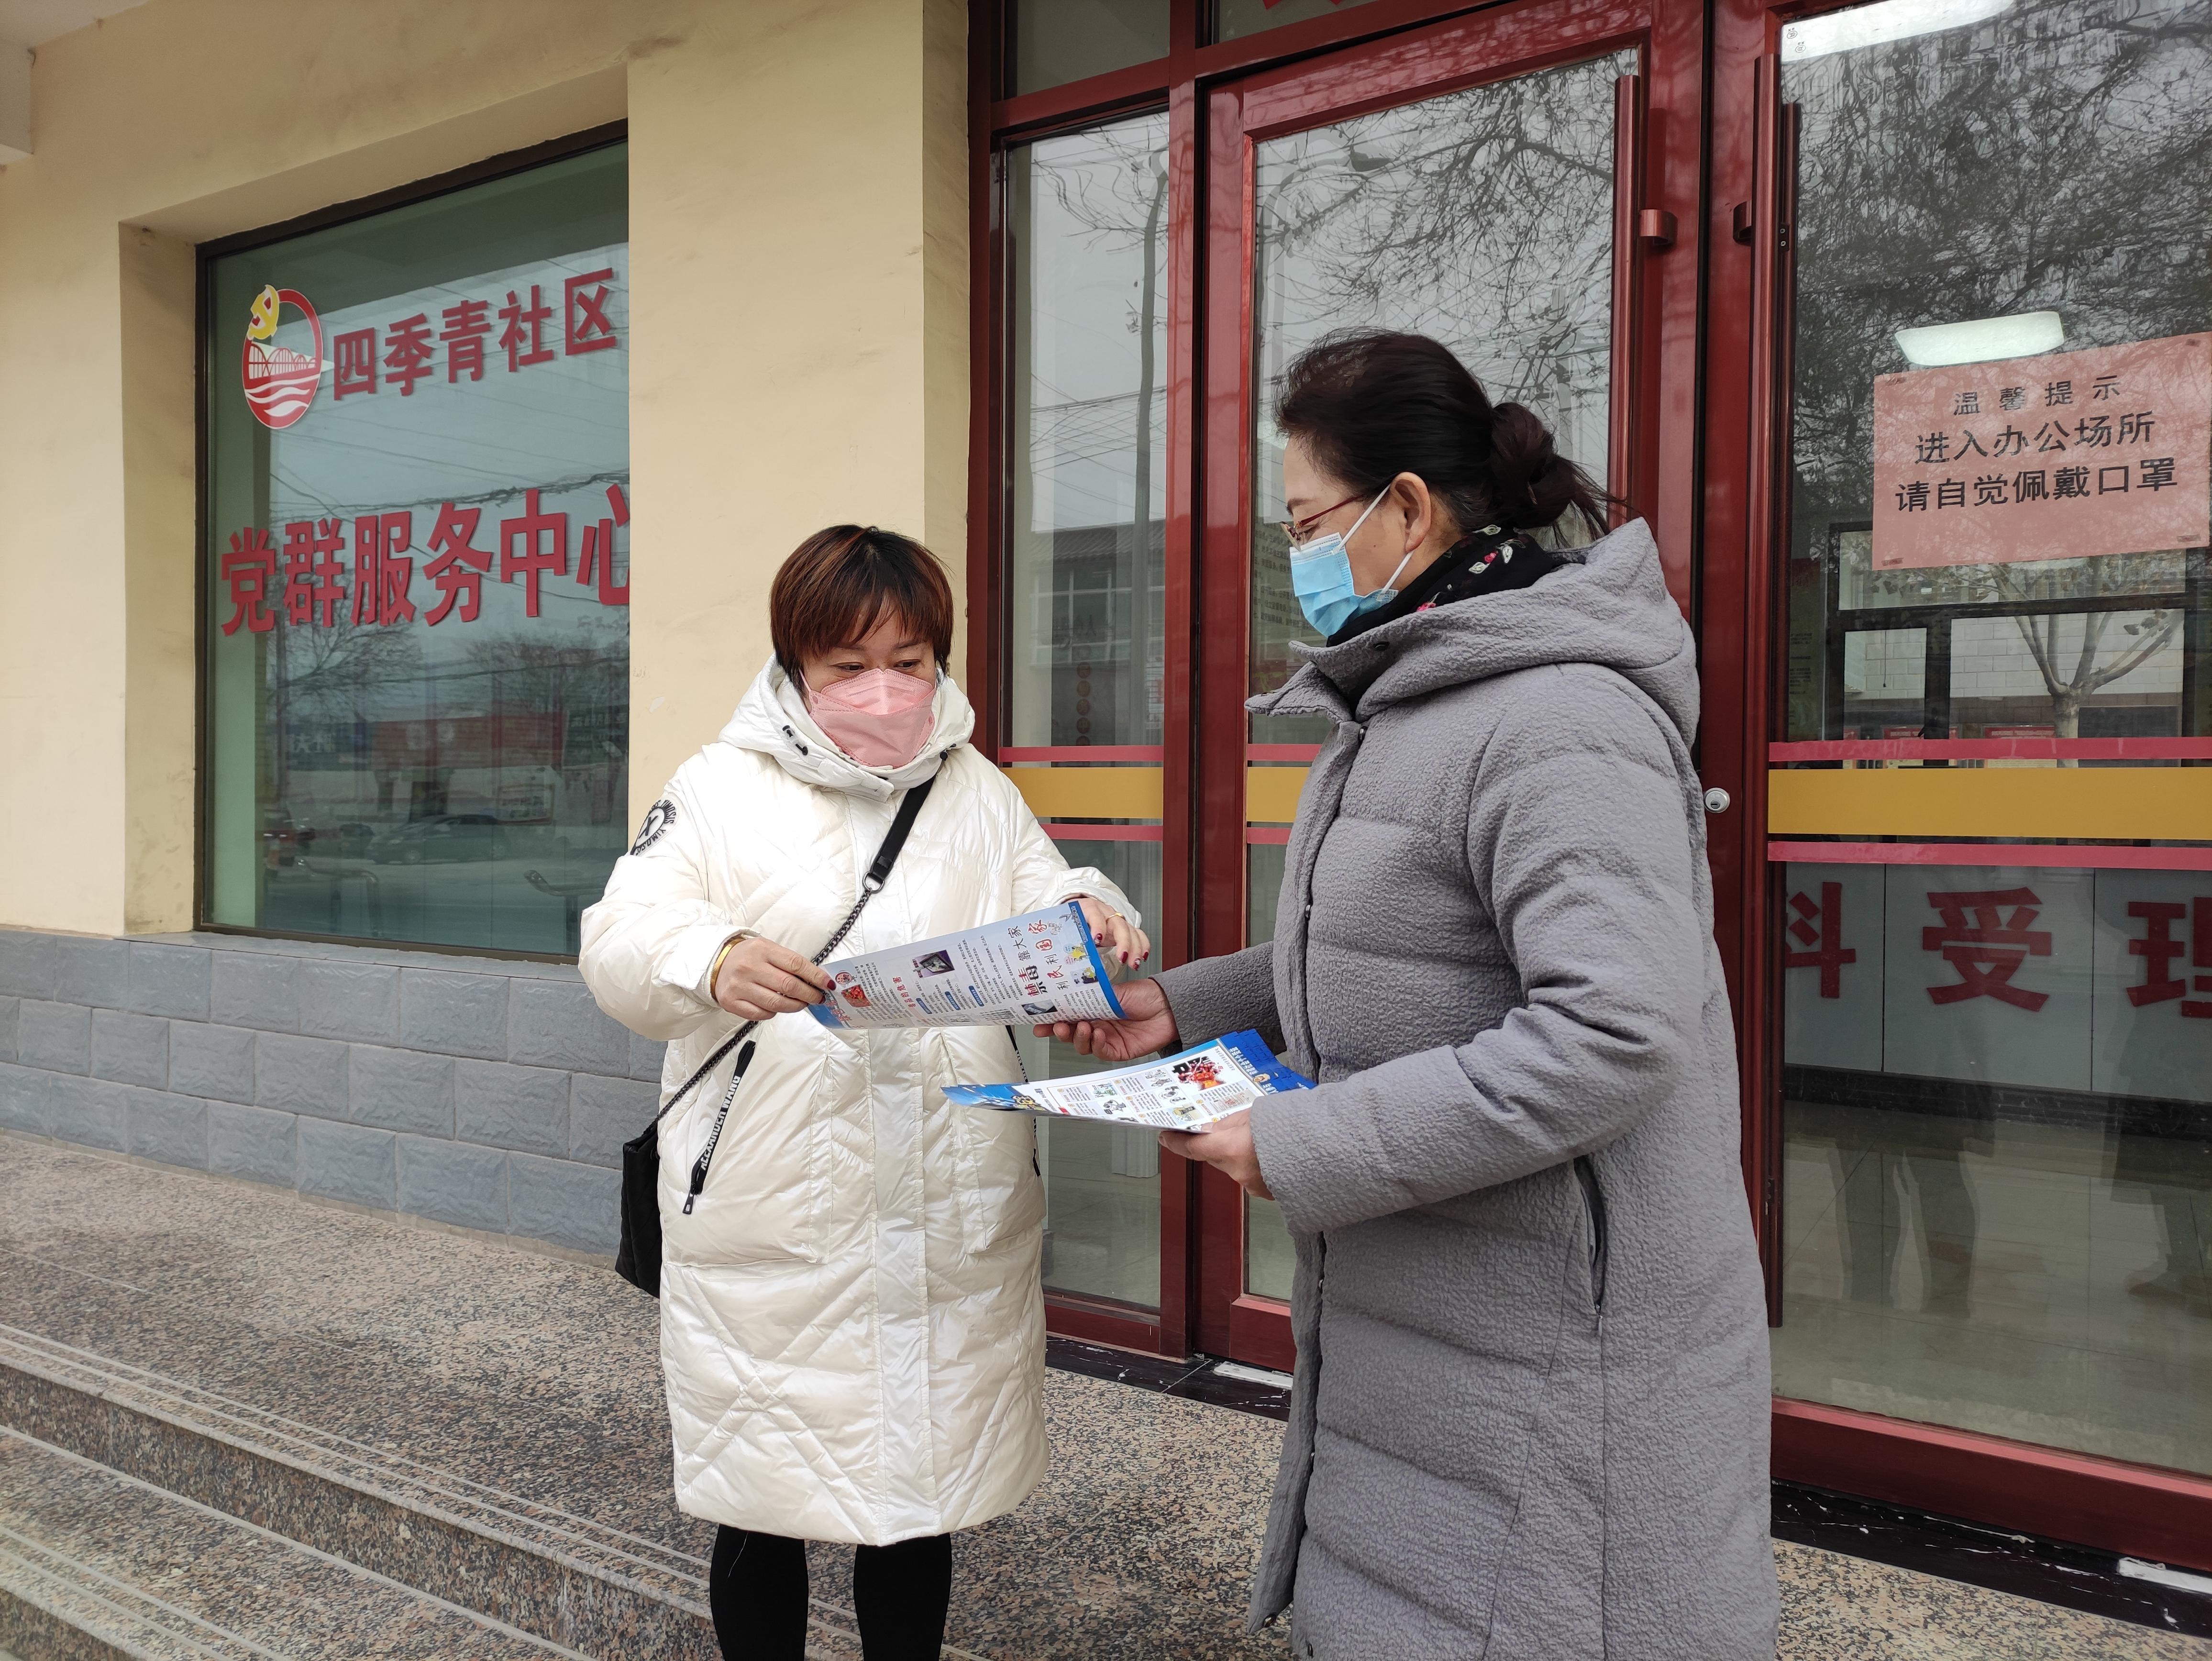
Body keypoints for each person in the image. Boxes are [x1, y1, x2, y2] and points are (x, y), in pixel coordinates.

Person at [1042, 330, 1779, 1659]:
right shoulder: (1413, 693)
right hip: (1440, 1315)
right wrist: (1185, 1010)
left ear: (1409, 509)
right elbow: (1403, 956)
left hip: (1557, 1352)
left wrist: (1304, 1140)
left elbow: (1613, 1032)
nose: (1297, 556)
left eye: (1307, 521)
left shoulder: (1558, 717)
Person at [581, 526, 1147, 1661]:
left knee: (917, 1498)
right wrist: (711, 955)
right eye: (848, 665)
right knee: (763, 1494)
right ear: (795, 663)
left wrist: (1092, 909)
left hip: (945, 1199)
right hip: (775, 1204)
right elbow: (617, 935)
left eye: (911, 659)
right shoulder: (716, 784)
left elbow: (1047, 886)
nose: (885, 690)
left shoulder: (974, 789)